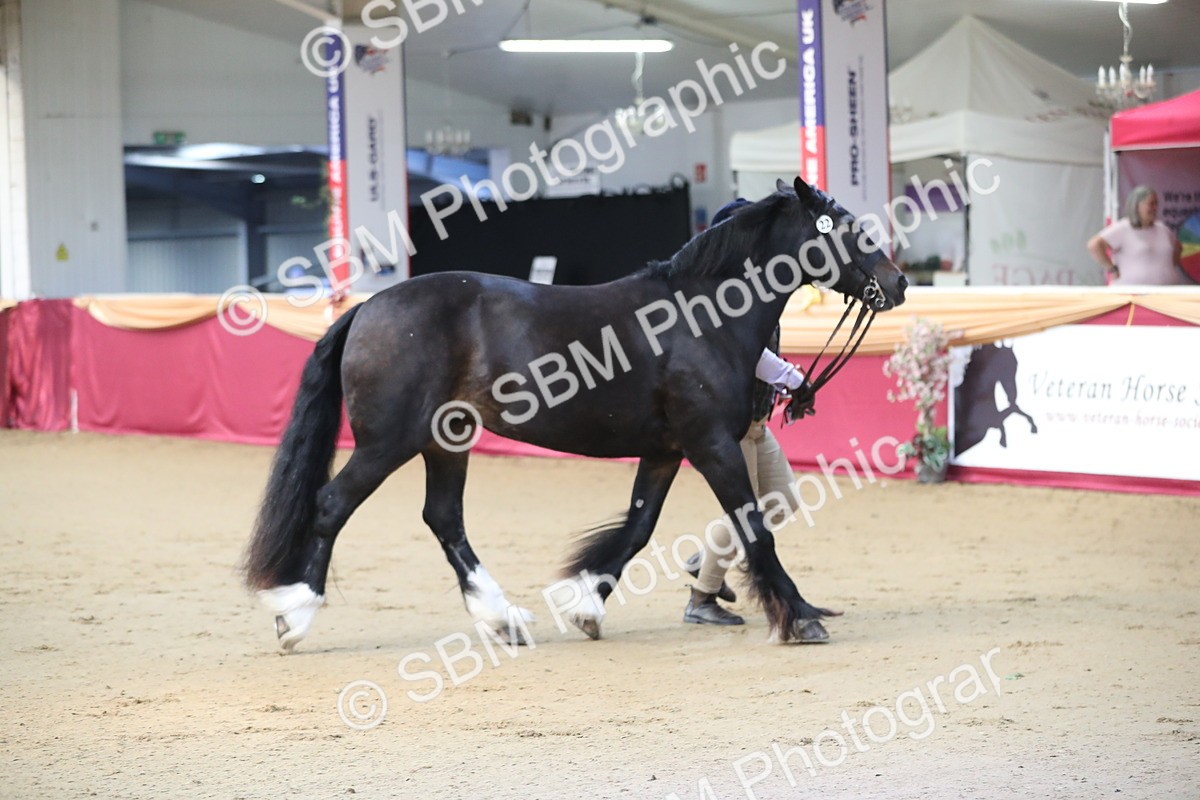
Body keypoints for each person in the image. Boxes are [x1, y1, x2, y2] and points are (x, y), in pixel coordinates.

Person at [681, 198, 807, 625]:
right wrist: (792, 378)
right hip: (729, 422)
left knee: (784, 498)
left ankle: (709, 558)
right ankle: (701, 600)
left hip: (756, 420)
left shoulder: (755, 285)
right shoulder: (721, 292)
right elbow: (749, 354)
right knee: (743, 514)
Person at [1087, 186, 1187, 285]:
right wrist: (1111, 268)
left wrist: (1167, 267)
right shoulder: (1123, 228)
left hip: (1166, 293)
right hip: (1131, 293)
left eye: (1156, 203)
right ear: (1137, 206)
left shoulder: (1162, 229)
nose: (1155, 207)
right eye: (1151, 204)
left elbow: (1178, 247)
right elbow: (1094, 245)